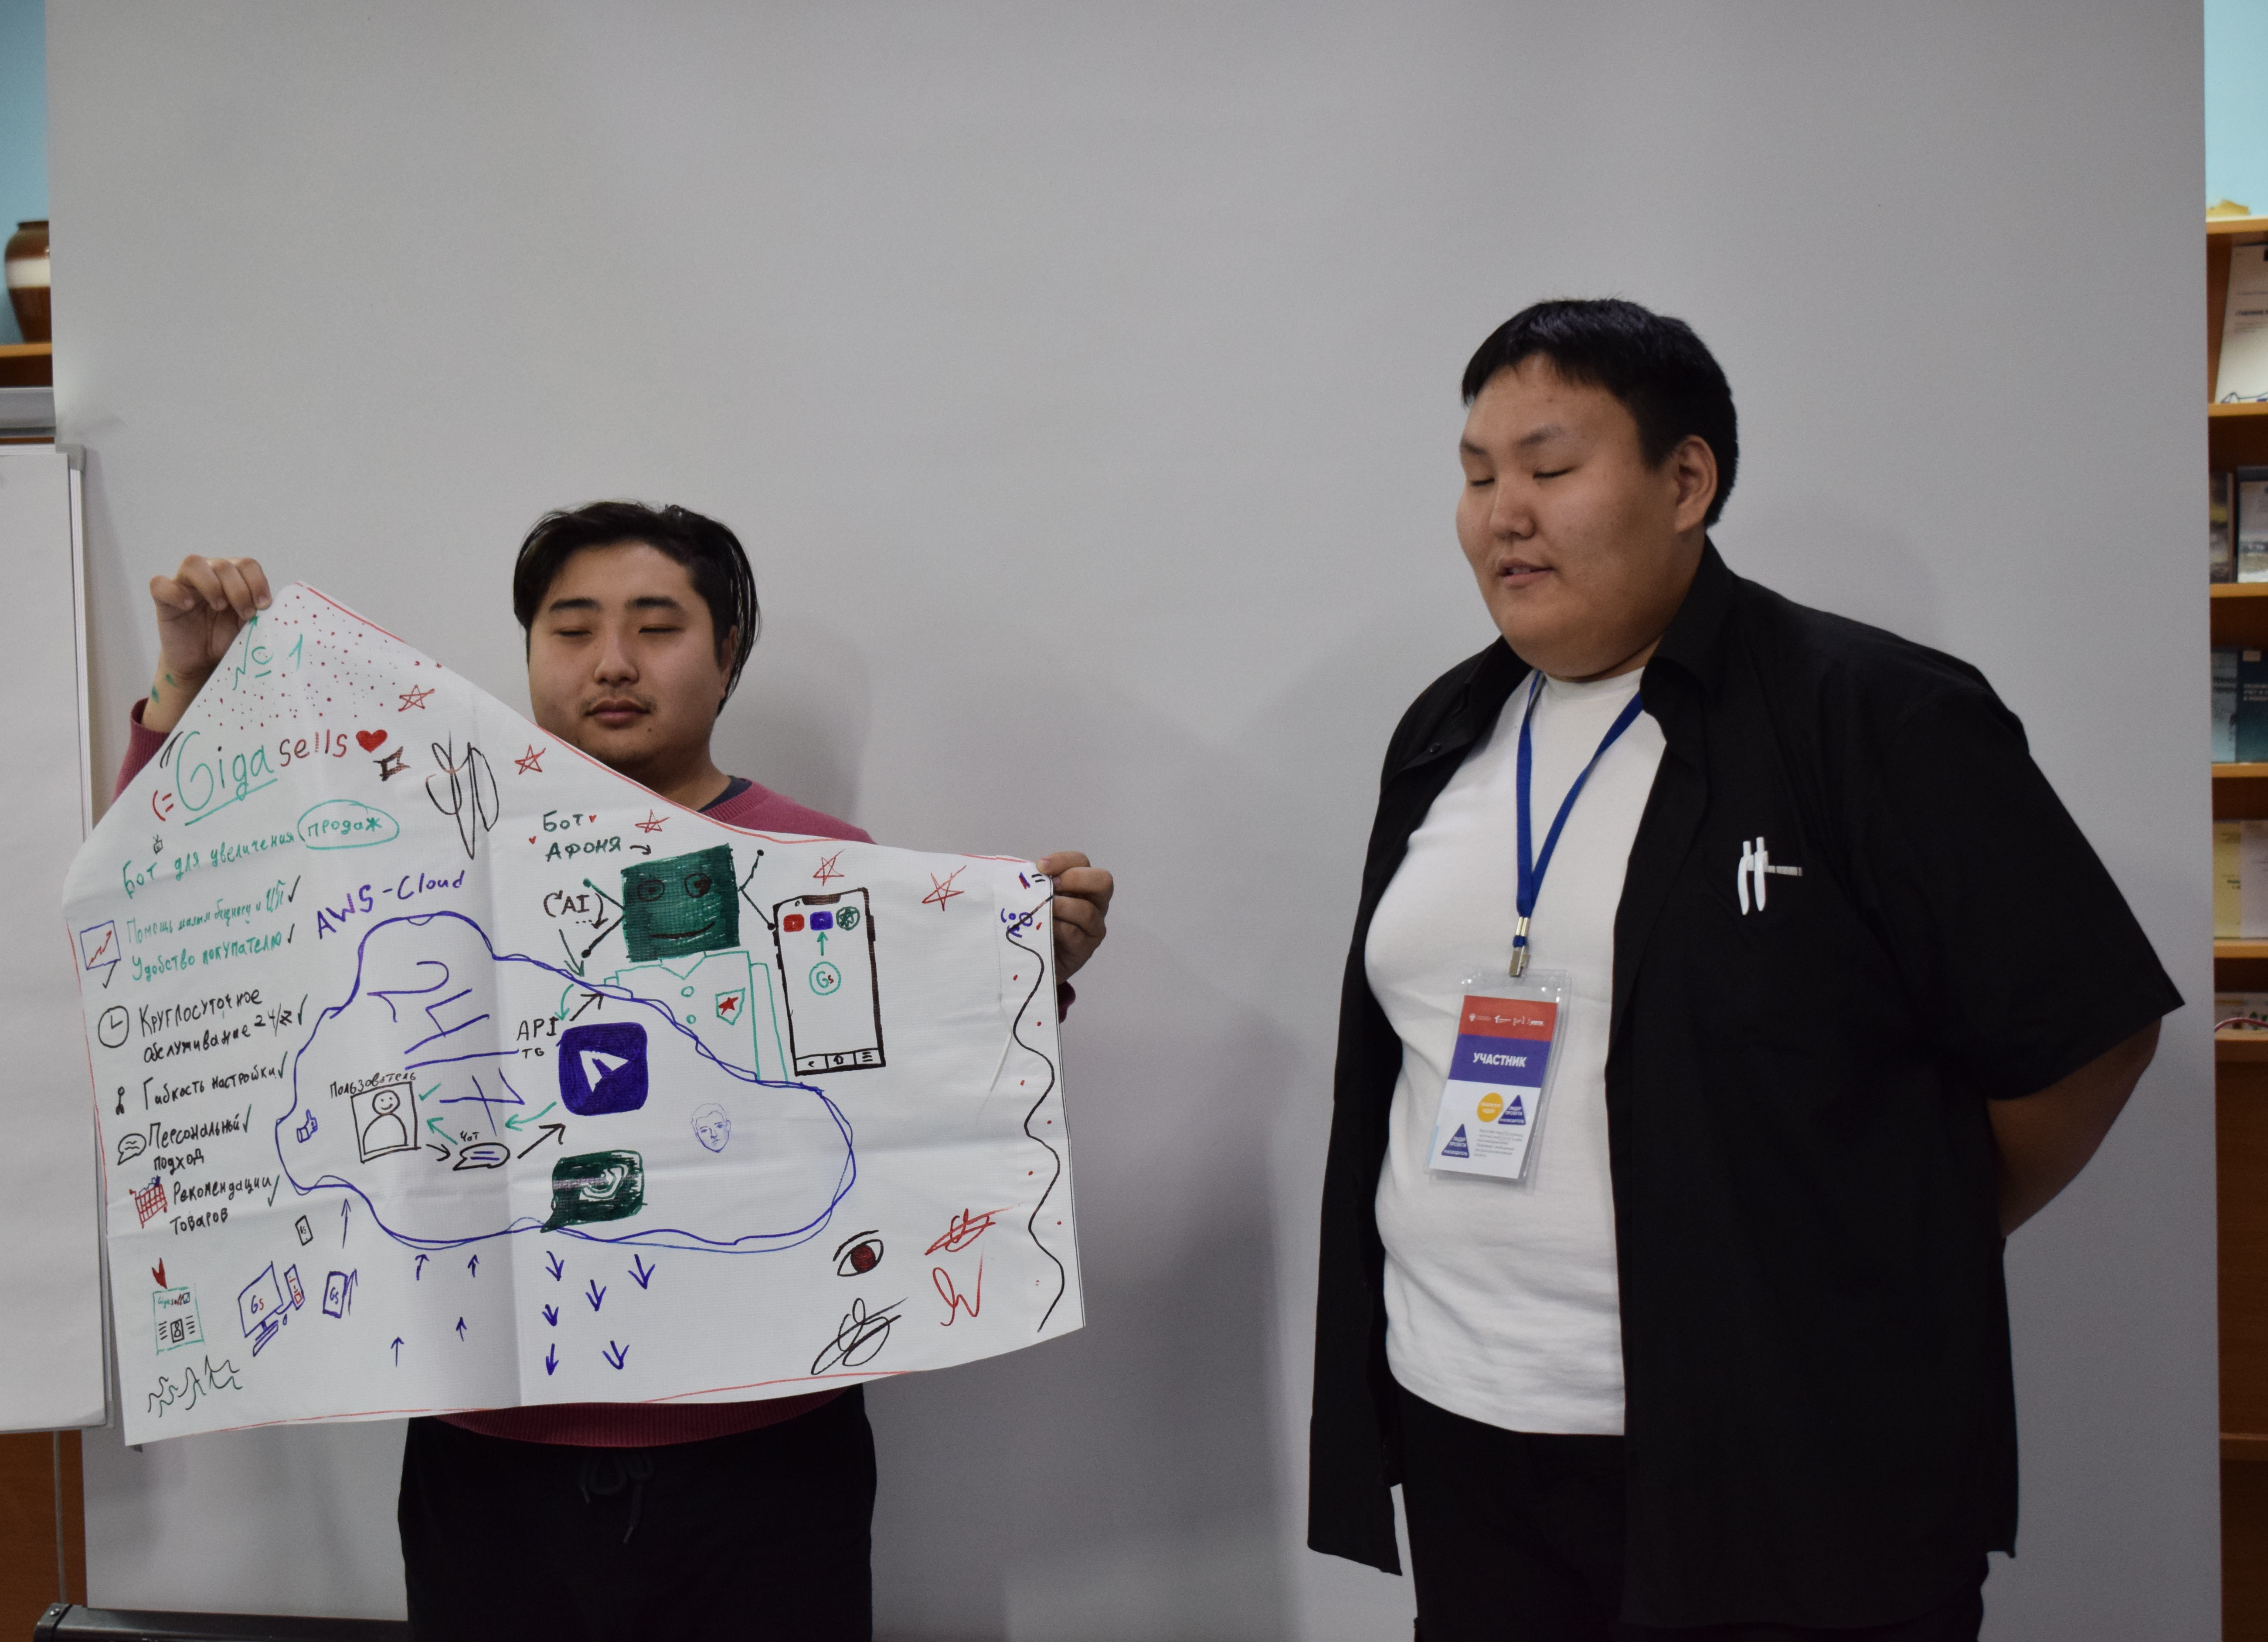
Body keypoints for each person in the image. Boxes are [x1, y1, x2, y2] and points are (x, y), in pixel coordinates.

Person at [1305, 300, 2178, 1640]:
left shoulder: (1873, 714)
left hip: (1786, 1455)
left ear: (1686, 482)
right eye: (1477, 477)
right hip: (1471, 1429)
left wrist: (1883, 1240)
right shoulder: (1448, 730)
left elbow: (2086, 1037)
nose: (1502, 515)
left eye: (1549, 467)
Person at [119, 502, 1115, 1640]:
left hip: (769, 1455)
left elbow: (914, 1113)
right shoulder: (423, 851)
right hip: (488, 1464)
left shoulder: (823, 868)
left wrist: (1029, 977)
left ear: (726, 654)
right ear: (529, 649)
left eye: (657, 625)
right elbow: (174, 917)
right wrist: (188, 694)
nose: (613, 662)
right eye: (572, 627)